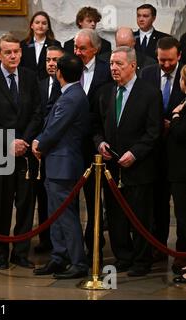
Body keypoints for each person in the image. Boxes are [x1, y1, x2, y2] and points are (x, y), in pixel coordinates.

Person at [93, 46, 162, 277]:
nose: (114, 68)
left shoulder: (150, 93)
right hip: (112, 169)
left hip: (139, 167)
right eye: (112, 63)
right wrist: (100, 143)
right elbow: (96, 127)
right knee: (115, 217)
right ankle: (123, 256)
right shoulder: (105, 92)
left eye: (119, 64)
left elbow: (154, 131)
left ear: (132, 66)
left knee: (140, 216)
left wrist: (135, 153)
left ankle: (142, 261)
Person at [0, 33, 43, 270]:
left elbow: (38, 112)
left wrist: (23, 141)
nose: (13, 55)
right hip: (0, 153)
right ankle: (1, 252)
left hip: (25, 153)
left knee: (26, 205)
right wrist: (9, 142)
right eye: (8, 52)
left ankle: (21, 252)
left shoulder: (30, 77)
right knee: (1, 205)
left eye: (16, 51)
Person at [32, 54, 89, 279]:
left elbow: (55, 128)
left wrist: (39, 143)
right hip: (57, 162)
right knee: (55, 213)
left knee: (66, 215)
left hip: (63, 164)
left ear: (59, 74)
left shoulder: (71, 97)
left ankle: (77, 261)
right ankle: (59, 256)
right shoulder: (71, 94)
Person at [140, 36, 185, 263]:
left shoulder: (185, 74)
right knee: (157, 203)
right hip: (154, 150)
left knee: (181, 207)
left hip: (179, 150)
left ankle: (180, 253)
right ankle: (157, 246)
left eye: (170, 60)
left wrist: (175, 122)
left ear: (178, 56)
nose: (166, 65)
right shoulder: (147, 73)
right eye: (161, 60)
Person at [74, 28, 112, 265]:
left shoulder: (106, 72)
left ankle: (95, 244)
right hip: (70, 147)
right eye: (76, 47)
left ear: (96, 49)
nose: (77, 52)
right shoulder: (68, 67)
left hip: (95, 147)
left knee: (94, 200)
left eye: (82, 48)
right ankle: (71, 247)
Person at [33, 45, 64, 255]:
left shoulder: (67, 87)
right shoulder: (40, 85)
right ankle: (45, 238)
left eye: (55, 60)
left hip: (58, 150)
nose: (51, 64)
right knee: (42, 197)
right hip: (39, 150)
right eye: (48, 60)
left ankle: (59, 241)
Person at [167, 65, 186, 277]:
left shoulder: (182, 107)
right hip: (179, 171)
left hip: (183, 172)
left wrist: (174, 117)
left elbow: (181, 133)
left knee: (183, 218)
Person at [20, 11, 61, 80]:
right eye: (37, 22)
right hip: (27, 84)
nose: (40, 26)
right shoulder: (23, 44)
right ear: (32, 25)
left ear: (48, 27)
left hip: (47, 84)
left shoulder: (55, 44)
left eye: (44, 23)